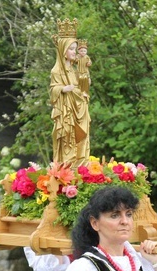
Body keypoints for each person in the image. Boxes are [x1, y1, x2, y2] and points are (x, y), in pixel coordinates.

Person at [50, 20, 90, 167]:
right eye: (72, 49)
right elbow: (53, 89)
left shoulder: (74, 70)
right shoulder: (56, 71)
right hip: (66, 110)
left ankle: (81, 164)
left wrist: (85, 85)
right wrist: (62, 89)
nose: (75, 52)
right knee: (66, 134)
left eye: (75, 48)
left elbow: (80, 87)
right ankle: (67, 165)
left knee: (81, 137)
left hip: (79, 108)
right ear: (63, 51)